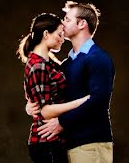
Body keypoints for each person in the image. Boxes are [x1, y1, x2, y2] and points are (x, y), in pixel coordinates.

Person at [30, 1, 115, 163]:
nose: (62, 23)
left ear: (82, 23)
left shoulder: (98, 58)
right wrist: (31, 106)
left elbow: (99, 100)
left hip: (91, 143)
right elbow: (48, 92)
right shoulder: (67, 64)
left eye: (67, 19)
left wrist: (62, 122)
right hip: (68, 145)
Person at [18, 13, 91, 163]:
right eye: (59, 34)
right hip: (46, 142)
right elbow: (45, 111)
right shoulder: (38, 65)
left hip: (54, 141)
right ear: (46, 34)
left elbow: (41, 100)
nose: (63, 39)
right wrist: (84, 101)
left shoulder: (47, 62)